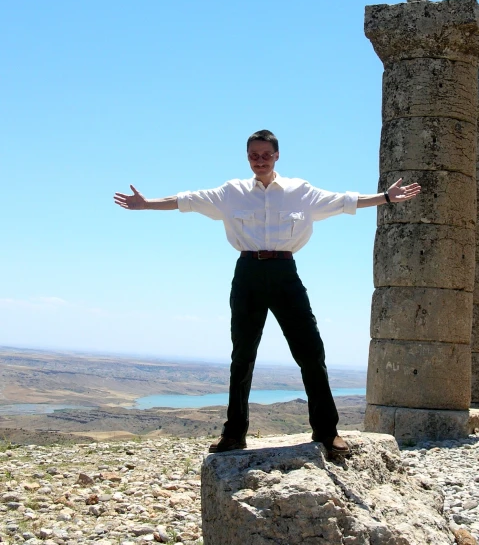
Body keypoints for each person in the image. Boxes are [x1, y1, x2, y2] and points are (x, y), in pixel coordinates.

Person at [114, 129, 420, 455]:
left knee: (311, 353)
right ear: (247, 158)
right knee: (242, 356)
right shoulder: (231, 192)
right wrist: (147, 204)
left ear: (276, 156)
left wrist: (385, 198)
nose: (259, 161)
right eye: (253, 155)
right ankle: (234, 434)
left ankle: (327, 432)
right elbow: (186, 201)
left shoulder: (300, 191)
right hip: (247, 273)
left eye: (265, 155)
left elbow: (345, 201)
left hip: (285, 274)